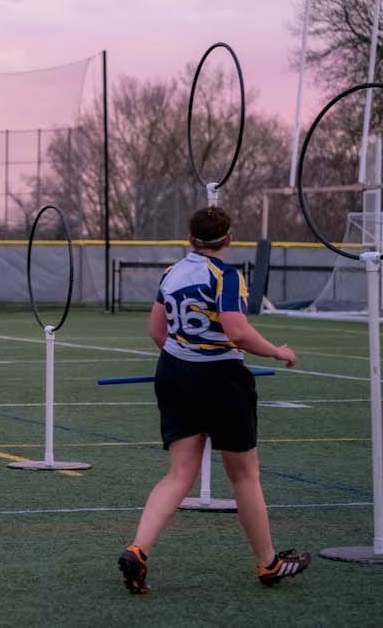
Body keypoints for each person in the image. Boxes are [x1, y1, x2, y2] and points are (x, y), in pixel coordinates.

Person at [118, 206, 309, 594]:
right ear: (228, 239)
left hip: (173, 373)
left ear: (190, 239)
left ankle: (138, 550)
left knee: (178, 475)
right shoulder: (225, 275)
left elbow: (157, 331)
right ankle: (268, 564)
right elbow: (237, 331)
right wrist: (277, 351)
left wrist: (185, 359)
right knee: (244, 475)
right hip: (222, 379)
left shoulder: (171, 274)